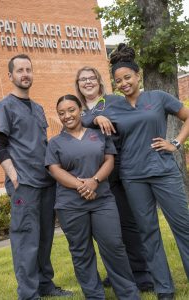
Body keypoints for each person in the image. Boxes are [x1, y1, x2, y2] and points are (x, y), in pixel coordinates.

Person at [90, 43, 189, 300]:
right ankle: (164, 289)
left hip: (164, 171)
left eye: (127, 77)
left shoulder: (157, 97)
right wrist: (97, 117)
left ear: (138, 76)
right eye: (118, 80)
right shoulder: (109, 104)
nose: (123, 83)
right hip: (133, 177)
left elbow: (187, 116)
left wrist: (175, 143)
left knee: (183, 227)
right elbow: (81, 115)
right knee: (148, 232)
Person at [0, 54, 72, 300]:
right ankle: (28, 293)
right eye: (20, 70)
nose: (25, 74)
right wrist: (13, 176)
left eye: (28, 69)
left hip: (46, 182)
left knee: (45, 237)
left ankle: (45, 284)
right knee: (26, 239)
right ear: (11, 75)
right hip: (24, 184)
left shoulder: (37, 108)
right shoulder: (4, 106)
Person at [45, 94, 141, 300]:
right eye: (61, 113)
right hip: (70, 205)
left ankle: (128, 294)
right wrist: (82, 185)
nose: (67, 116)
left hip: (102, 200)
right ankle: (94, 295)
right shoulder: (55, 142)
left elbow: (109, 160)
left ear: (80, 110)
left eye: (71, 110)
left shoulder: (98, 135)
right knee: (81, 252)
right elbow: (54, 169)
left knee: (114, 246)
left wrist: (94, 181)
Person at [75, 66, 154, 292]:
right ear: (78, 85)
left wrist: (99, 114)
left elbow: (133, 118)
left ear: (99, 82)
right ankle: (117, 272)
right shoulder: (78, 109)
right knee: (106, 228)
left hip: (119, 168)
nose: (88, 82)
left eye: (91, 78)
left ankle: (142, 273)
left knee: (127, 223)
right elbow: (76, 123)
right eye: (83, 80)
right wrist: (94, 116)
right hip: (91, 172)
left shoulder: (114, 101)